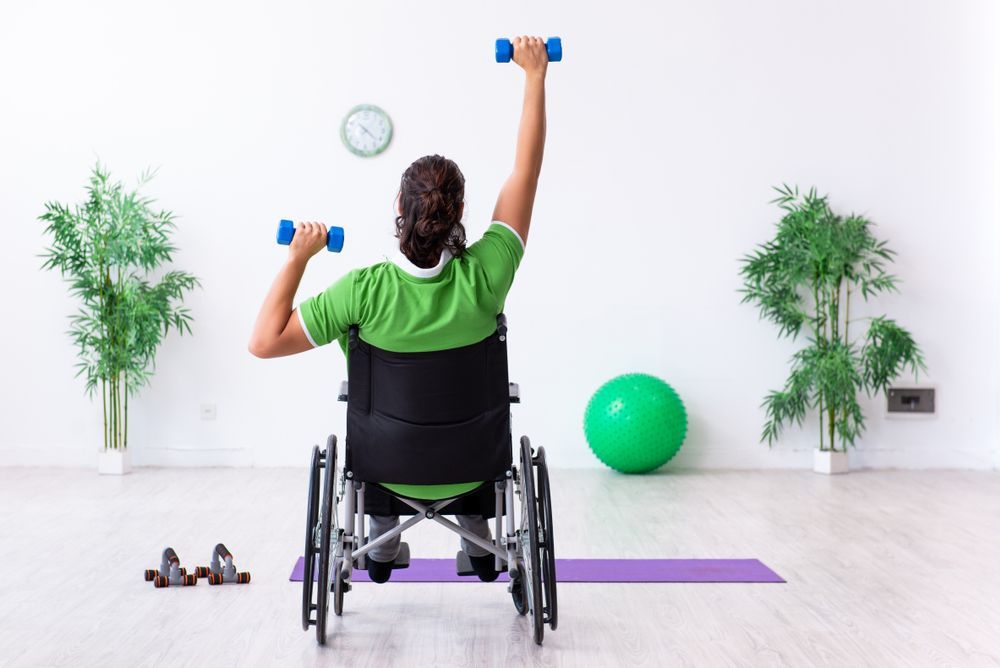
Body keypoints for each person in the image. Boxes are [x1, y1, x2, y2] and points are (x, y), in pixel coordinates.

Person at [249, 36, 549, 583]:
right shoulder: (487, 274)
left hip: (385, 469)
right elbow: (525, 175)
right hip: (473, 465)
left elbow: (263, 342)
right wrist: (534, 76)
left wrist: (298, 258)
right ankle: (478, 533)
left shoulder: (361, 292)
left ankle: (382, 546)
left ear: (398, 207)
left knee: (382, 416)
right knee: (473, 415)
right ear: (460, 212)